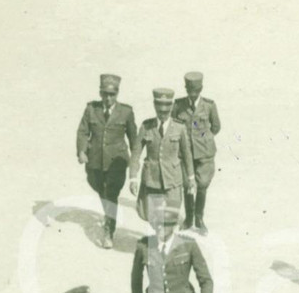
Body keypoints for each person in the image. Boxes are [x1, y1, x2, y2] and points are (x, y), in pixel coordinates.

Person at [76, 74, 139, 249]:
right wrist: (81, 151)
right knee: (98, 187)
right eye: (105, 94)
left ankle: (109, 230)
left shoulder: (126, 112)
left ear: (117, 94)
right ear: (100, 93)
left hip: (117, 162)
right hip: (95, 160)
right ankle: (108, 214)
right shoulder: (91, 109)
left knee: (111, 193)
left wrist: (135, 162)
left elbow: (134, 139)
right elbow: (82, 131)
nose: (108, 98)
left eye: (112, 94)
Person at [129, 88, 194, 224]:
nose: (163, 115)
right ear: (155, 106)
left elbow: (187, 154)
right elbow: (136, 154)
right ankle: (158, 237)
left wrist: (191, 178)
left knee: (170, 216)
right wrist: (133, 178)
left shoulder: (179, 127)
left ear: (171, 107)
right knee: (154, 218)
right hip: (152, 180)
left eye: (166, 112)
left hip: (173, 181)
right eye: (160, 112)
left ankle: (165, 236)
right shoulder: (146, 127)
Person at [172, 72, 222, 234]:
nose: (192, 95)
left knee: (202, 185)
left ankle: (199, 219)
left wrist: (203, 139)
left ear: (201, 89)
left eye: (196, 91)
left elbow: (216, 127)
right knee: (187, 185)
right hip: (185, 152)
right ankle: (188, 218)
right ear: (186, 89)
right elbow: (173, 125)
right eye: (190, 91)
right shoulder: (178, 105)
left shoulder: (209, 105)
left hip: (204, 153)